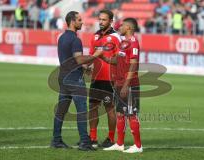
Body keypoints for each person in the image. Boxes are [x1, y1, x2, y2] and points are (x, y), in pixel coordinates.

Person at [51, 11, 102, 151]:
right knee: (81, 111)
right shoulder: (75, 39)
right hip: (74, 79)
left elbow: (71, 59)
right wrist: (95, 55)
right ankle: (85, 142)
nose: (82, 22)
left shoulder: (61, 37)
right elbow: (79, 59)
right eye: (79, 20)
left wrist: (84, 67)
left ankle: (56, 140)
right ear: (72, 21)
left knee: (61, 111)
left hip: (63, 78)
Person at [102, 18, 143, 153]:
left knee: (131, 114)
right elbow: (119, 60)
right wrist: (105, 58)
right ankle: (119, 144)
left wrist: (126, 84)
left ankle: (138, 146)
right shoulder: (123, 43)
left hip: (129, 84)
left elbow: (133, 64)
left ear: (129, 28)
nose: (119, 26)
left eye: (123, 25)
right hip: (120, 83)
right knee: (120, 113)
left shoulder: (133, 43)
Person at [88, 9, 121, 148]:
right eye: (100, 19)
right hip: (96, 78)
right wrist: (88, 66)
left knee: (109, 108)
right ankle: (93, 138)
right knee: (92, 107)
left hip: (109, 79)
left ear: (111, 21)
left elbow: (120, 59)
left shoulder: (116, 37)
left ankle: (110, 138)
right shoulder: (94, 36)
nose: (101, 22)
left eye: (104, 20)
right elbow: (91, 55)